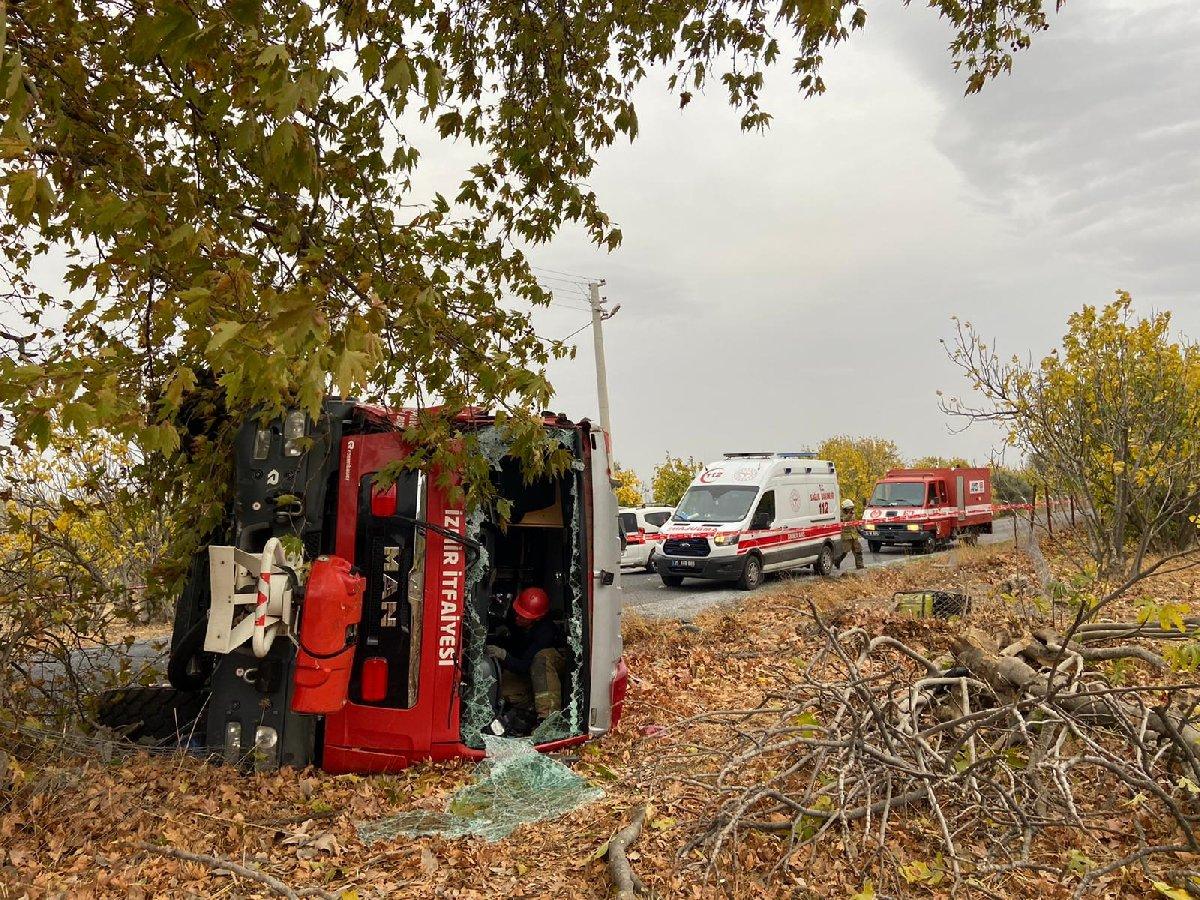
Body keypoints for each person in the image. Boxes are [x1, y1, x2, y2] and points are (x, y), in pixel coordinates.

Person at [485, 587, 566, 725]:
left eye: (522, 616)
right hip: (528, 675)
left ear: (537, 618)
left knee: (541, 658)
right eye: (517, 612)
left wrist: (502, 655)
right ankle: (532, 701)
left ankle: (548, 721)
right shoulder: (520, 623)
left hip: (546, 673)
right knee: (497, 689)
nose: (517, 617)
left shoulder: (545, 634)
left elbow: (524, 666)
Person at [835, 498, 864, 571]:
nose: (851, 510)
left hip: (854, 535)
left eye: (851, 508)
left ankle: (860, 566)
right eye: (849, 508)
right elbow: (843, 521)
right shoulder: (840, 514)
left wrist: (859, 529)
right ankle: (837, 561)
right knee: (844, 552)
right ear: (845, 508)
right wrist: (849, 515)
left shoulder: (852, 514)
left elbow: (854, 522)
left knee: (858, 551)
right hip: (846, 536)